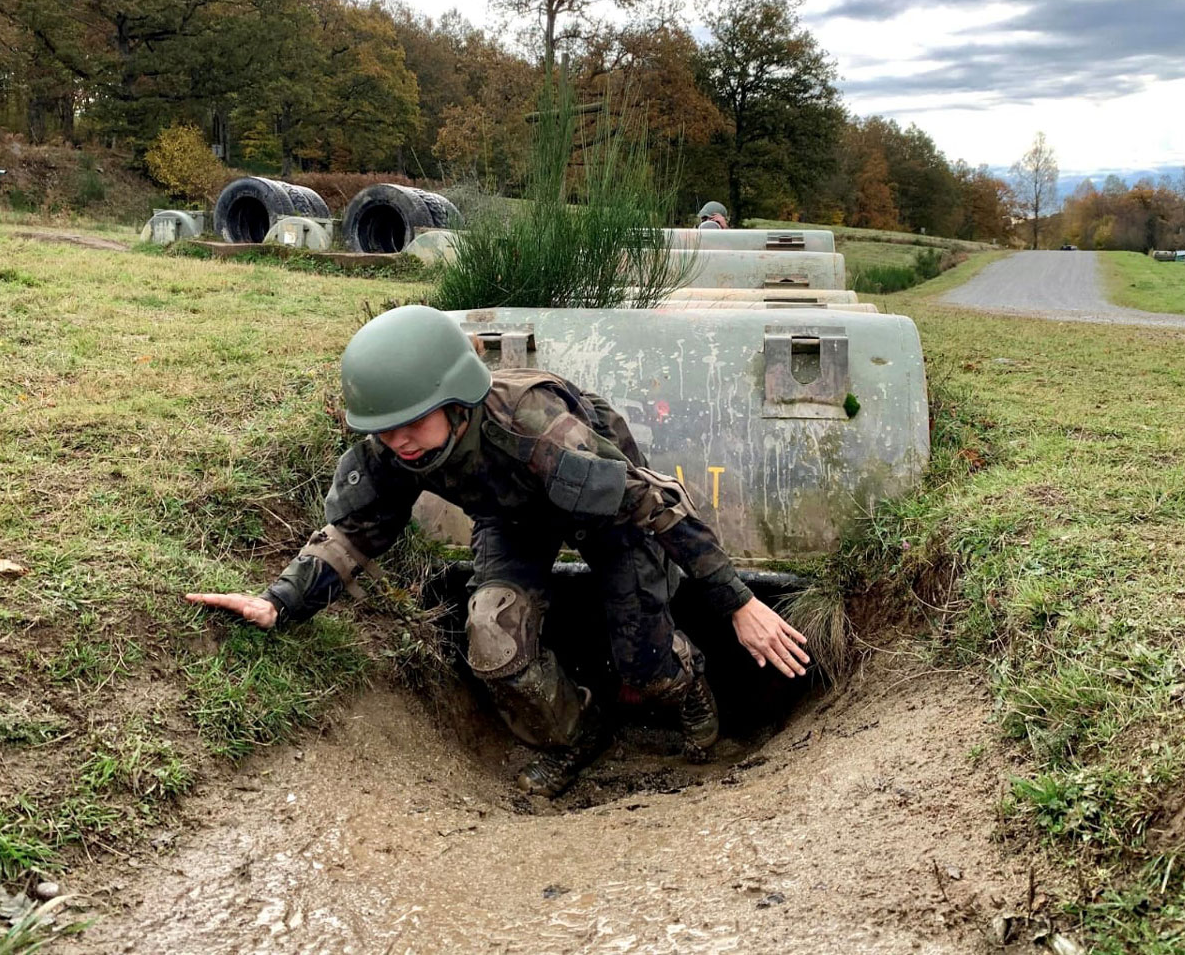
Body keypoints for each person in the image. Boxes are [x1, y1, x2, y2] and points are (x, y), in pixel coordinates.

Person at [186, 305, 809, 797]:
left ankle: (687, 685)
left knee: (642, 661)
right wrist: (281, 603)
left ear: (457, 403)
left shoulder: (534, 426)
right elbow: (354, 534)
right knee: (492, 639)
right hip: (513, 520)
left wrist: (737, 603)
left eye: (413, 422)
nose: (399, 441)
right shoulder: (393, 445)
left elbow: (657, 501)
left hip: (607, 512)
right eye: (386, 428)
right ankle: (578, 733)